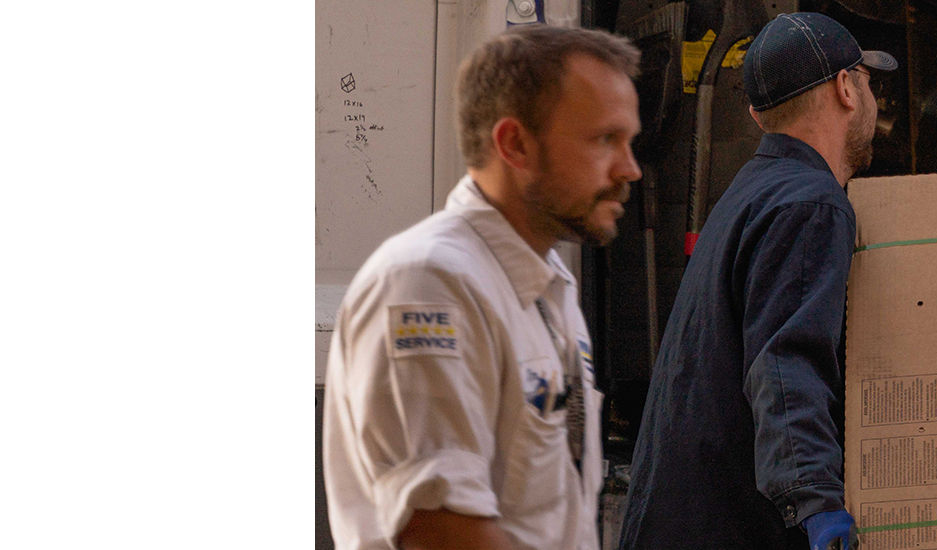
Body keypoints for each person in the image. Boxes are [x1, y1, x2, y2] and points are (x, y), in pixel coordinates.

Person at [321, 25, 641, 550]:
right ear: (514, 143)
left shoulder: (548, 283)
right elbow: (443, 533)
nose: (630, 168)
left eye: (629, 141)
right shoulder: (430, 282)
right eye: (605, 139)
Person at [616, 12, 894, 550]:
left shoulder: (752, 191)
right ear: (845, 89)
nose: (872, 99)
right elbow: (784, 360)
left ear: (754, 112)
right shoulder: (811, 204)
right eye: (867, 81)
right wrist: (817, 505)